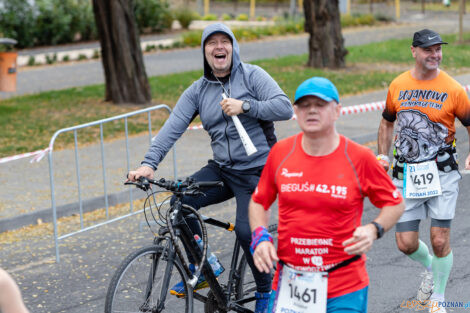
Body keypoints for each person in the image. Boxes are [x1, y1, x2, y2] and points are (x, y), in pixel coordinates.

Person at [127, 23, 293, 312]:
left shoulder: (253, 76)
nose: (219, 47)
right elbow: (171, 129)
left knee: (246, 230)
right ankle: (205, 263)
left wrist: (246, 106)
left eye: (224, 41)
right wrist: (148, 164)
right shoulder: (198, 91)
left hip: (257, 170)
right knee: (179, 203)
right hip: (222, 169)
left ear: (233, 47)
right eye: (212, 43)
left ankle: (268, 294)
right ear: (205, 52)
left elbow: (284, 108)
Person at [249, 76, 405, 313]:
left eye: (320, 105)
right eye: (304, 105)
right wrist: (259, 236)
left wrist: (374, 229)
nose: (311, 110)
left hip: (344, 286)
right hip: (290, 284)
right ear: (295, 111)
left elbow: (394, 203)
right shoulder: (281, 153)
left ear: (337, 111)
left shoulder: (358, 157)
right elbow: (259, 202)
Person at [377, 29, 470, 312]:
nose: (435, 55)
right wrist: (382, 155)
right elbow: (387, 123)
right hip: (406, 175)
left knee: (439, 238)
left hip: (442, 173)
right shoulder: (398, 85)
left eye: (438, 50)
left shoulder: (453, 88)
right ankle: (432, 267)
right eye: (428, 50)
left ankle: (438, 300)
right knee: (405, 243)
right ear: (414, 51)